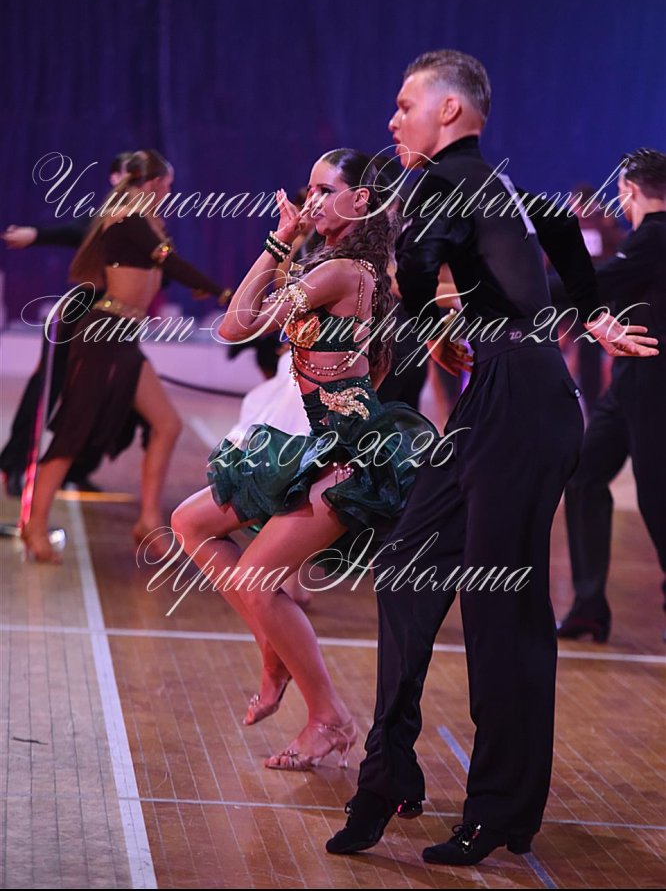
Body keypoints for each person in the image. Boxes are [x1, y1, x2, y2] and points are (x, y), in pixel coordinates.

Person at [325, 50, 658, 865]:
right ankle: (387, 774)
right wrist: (589, 310)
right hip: (501, 398)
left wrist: (417, 301)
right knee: (405, 567)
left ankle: (501, 807)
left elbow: (420, 262)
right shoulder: (487, 182)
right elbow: (555, 224)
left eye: (405, 103)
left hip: (524, 404)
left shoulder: (444, 182)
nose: (393, 118)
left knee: (499, 608)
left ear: (449, 110)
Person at [170, 148, 440, 772]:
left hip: (347, 456)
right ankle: (275, 653)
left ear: (360, 200)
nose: (310, 200)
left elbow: (235, 327)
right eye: (308, 189)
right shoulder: (351, 270)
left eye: (323, 190)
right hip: (320, 445)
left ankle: (329, 718)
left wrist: (277, 240)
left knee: (256, 579)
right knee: (190, 523)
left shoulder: (341, 271)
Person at [20, 149, 228, 563]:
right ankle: (34, 525)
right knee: (74, 432)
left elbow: (158, 271)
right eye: (167, 184)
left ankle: (149, 520)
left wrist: (191, 282)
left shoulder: (145, 222)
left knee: (166, 424)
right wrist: (222, 292)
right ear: (152, 183)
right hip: (103, 334)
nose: (170, 191)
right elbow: (169, 262)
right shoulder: (128, 218)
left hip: (123, 335)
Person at [558, 148, 666, 642]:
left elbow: (594, 282)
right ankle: (588, 607)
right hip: (628, 383)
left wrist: (517, 288)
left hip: (654, 383)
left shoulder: (654, 236)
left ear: (628, 191)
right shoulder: (647, 239)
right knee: (584, 475)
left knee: (657, 495)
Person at [1, 152, 137, 494]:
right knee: (48, 387)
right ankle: (16, 464)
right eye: (130, 174)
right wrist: (37, 234)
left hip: (119, 319)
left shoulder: (148, 217)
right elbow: (79, 230)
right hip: (84, 310)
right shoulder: (111, 213)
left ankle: (78, 466)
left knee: (114, 396)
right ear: (115, 177)